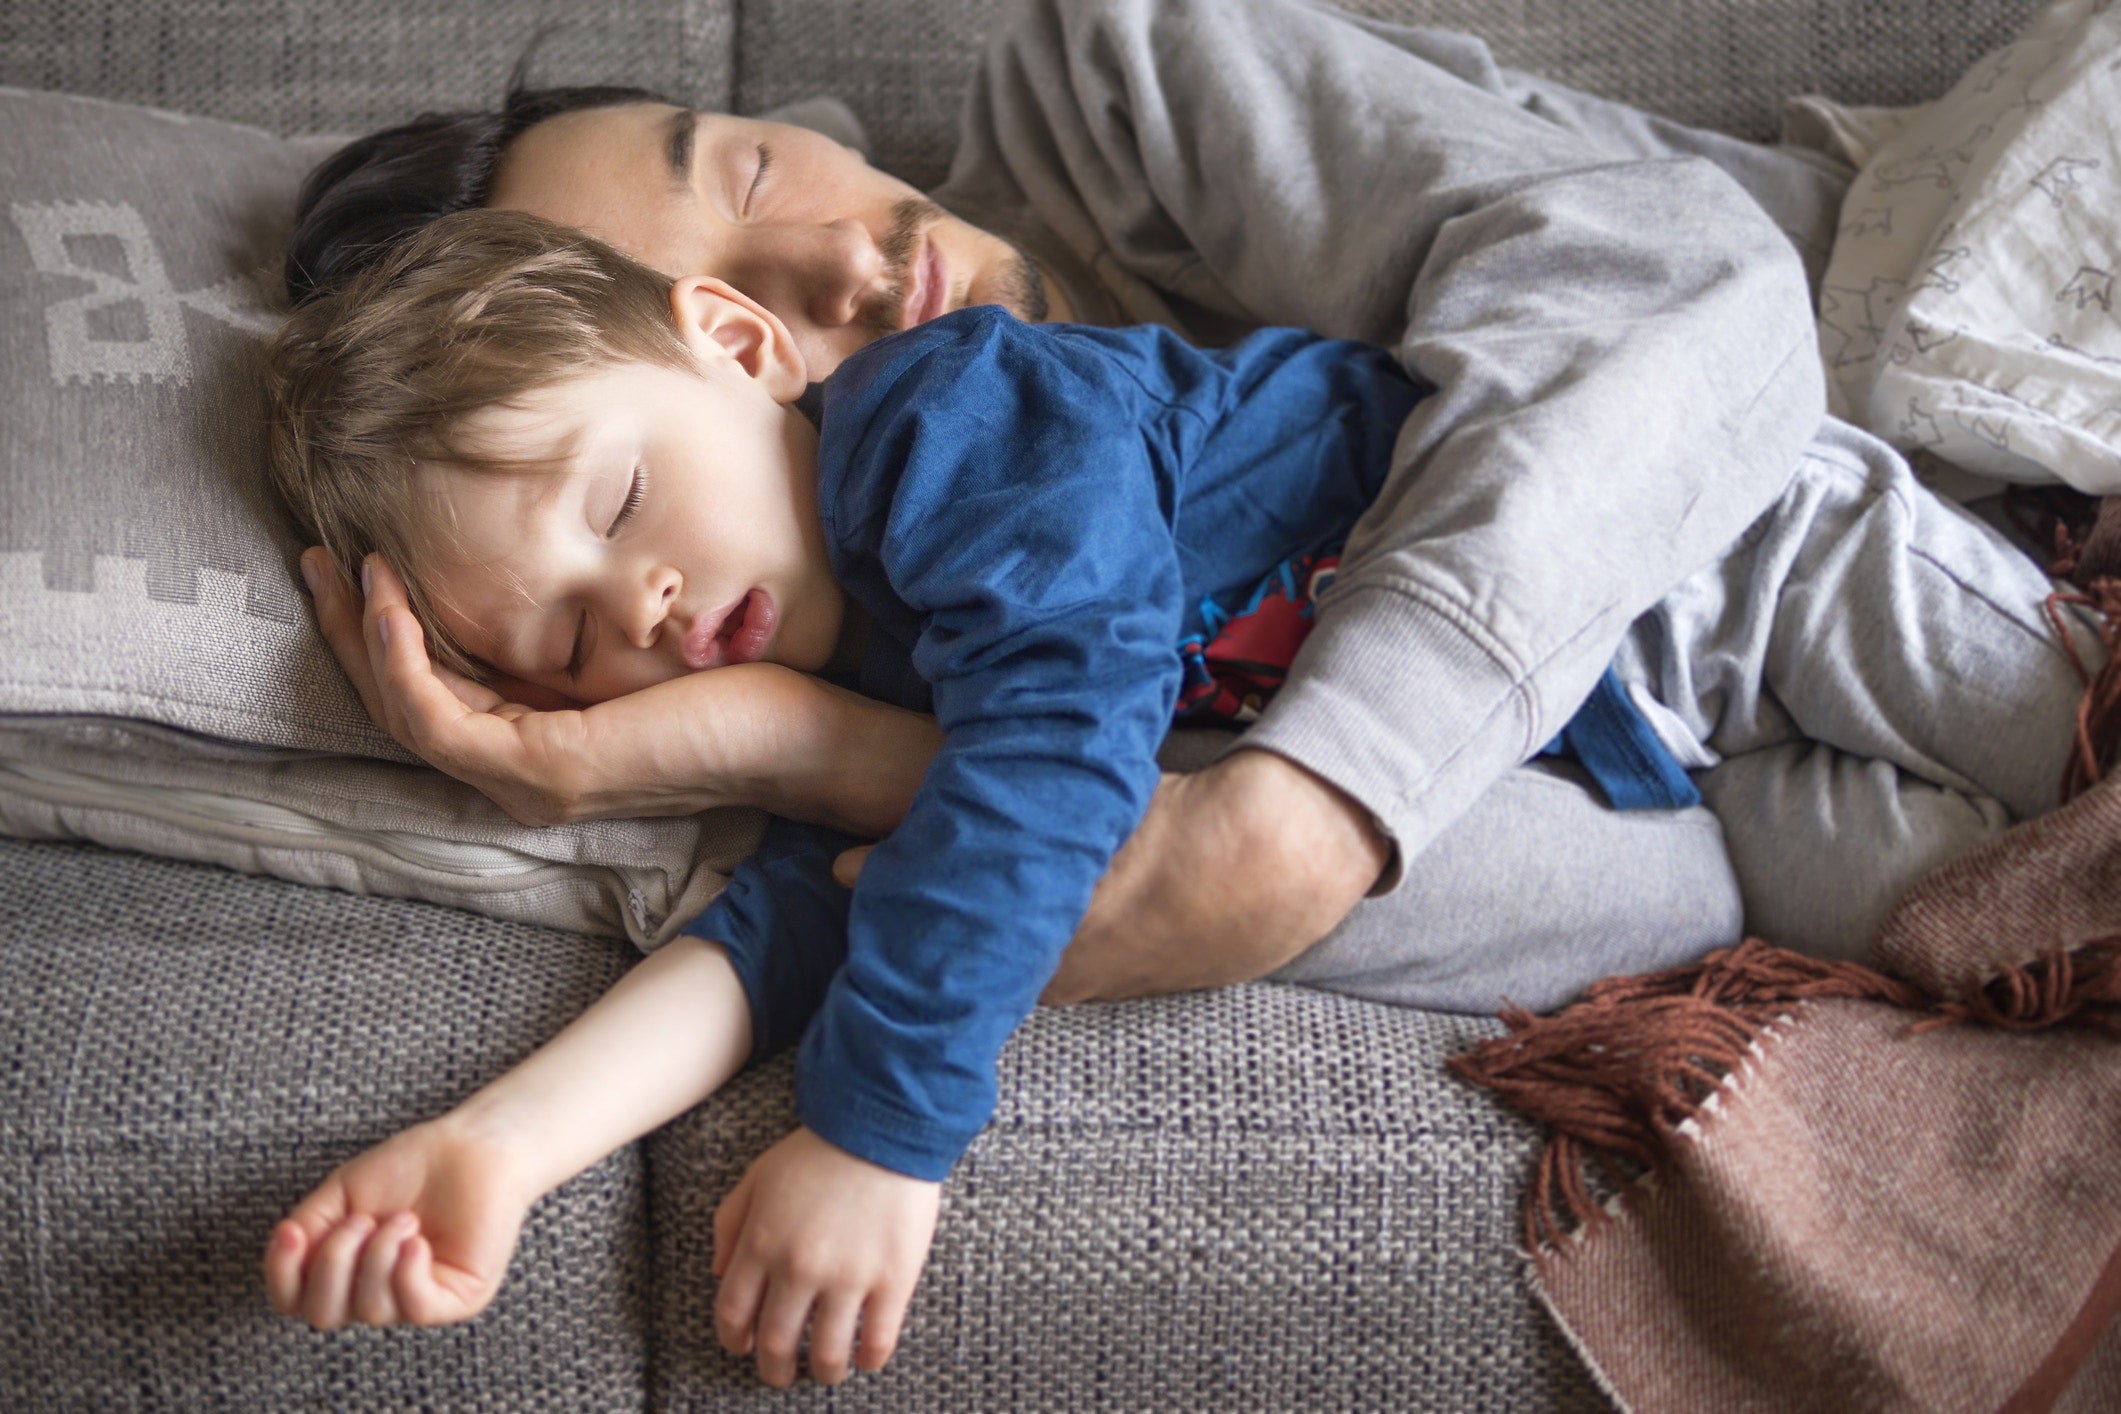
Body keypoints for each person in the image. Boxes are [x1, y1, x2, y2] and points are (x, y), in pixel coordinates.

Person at [260, 209, 2102, 1385]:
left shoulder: (945, 422)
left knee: (2079, 745)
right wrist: (496, 1150)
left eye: (613, 510)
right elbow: (780, 927)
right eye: (573, 644)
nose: (641, 612)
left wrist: (885, 1128)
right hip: (1640, 781)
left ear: (739, 349)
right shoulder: (826, 691)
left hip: (1708, 563)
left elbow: (1059, 729)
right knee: (1990, 924)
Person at [283, 0, 1873, 1017]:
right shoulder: (869, 625)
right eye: (729, 308)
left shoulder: (1118, 81)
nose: (845, 271)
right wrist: (807, 749)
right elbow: (1666, 887)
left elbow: (1681, 277)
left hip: (1919, 424)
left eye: (755, 176)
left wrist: (1299, 812)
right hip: (1752, 762)